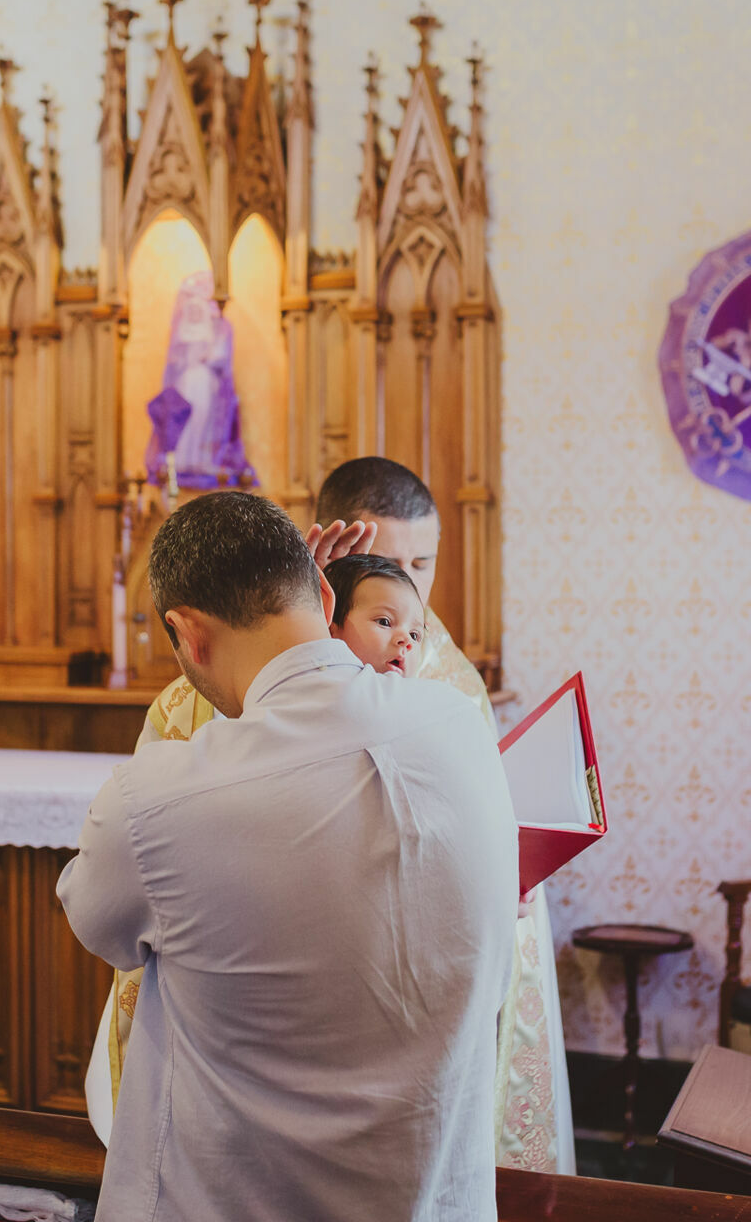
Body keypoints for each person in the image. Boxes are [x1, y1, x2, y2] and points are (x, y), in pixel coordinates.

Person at [109, 456, 577, 1173]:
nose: (411, 591)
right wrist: (290, 629)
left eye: (424, 563)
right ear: (322, 564)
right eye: (387, 564)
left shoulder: (446, 677)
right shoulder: (219, 676)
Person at [323, 553, 426, 677]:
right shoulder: (318, 685)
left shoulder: (419, 692)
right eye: (384, 622)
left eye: (414, 635)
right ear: (331, 630)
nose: (406, 640)